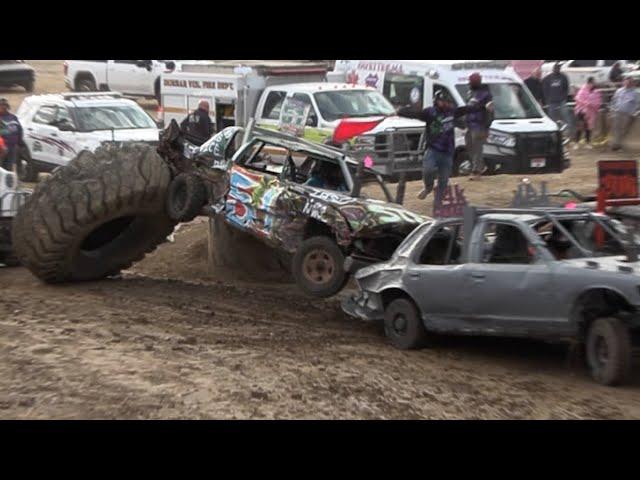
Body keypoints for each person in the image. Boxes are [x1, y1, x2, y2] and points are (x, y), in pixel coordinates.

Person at [397, 90, 468, 202]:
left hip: (448, 151)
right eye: (441, 101)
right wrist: (401, 111)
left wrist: (482, 107)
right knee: (428, 170)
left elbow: (466, 111)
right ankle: (428, 187)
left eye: (446, 101)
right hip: (433, 149)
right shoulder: (430, 112)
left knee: (443, 179)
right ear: (436, 101)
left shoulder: (452, 112)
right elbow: (416, 114)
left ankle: (439, 201)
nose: (444, 104)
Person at [464, 73, 494, 181]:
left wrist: (487, 126)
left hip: (480, 125)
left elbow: (490, 111)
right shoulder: (470, 93)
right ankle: (481, 166)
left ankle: (476, 171)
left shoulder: (485, 94)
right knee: (469, 146)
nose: (469, 84)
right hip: (470, 125)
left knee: (477, 148)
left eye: (471, 82)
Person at [610, 77, 639, 151]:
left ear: (632, 83)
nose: (627, 84)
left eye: (629, 82)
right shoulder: (619, 91)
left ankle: (619, 144)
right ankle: (617, 144)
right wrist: (613, 109)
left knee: (624, 130)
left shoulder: (635, 93)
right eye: (625, 82)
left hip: (628, 114)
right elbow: (613, 100)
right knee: (617, 129)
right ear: (623, 82)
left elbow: (637, 104)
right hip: (618, 112)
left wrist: (634, 113)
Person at [573, 77, 602, 149]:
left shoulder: (596, 91)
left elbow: (598, 102)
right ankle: (576, 142)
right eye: (591, 83)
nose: (592, 85)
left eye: (593, 83)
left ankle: (588, 142)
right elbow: (578, 99)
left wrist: (592, 104)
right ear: (588, 83)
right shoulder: (582, 90)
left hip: (591, 112)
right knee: (580, 126)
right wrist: (586, 103)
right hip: (581, 111)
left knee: (588, 128)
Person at [542, 62, 571, 129]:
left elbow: (566, 88)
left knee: (566, 114)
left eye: (558, 68)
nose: (557, 69)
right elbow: (545, 89)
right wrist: (547, 98)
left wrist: (564, 97)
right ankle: (552, 128)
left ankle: (568, 129)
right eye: (556, 68)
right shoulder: (548, 78)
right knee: (551, 116)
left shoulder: (563, 77)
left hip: (561, 100)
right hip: (551, 101)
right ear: (553, 69)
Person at [0, 98, 23, 172]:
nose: (3, 107)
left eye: (5, 105)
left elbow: (19, 130)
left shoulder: (13, 117)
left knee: (9, 169)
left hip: (13, 148)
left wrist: (19, 143)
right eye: (1, 105)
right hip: (2, 148)